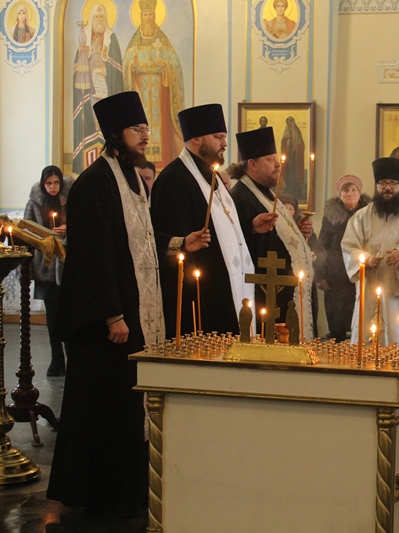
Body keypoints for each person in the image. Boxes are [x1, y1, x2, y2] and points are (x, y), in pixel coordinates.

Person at [47, 91, 194, 514]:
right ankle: (100, 494)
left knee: (130, 406)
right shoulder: (95, 183)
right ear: (115, 134)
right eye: (138, 130)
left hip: (139, 313)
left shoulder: (132, 179)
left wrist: (175, 247)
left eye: (147, 128)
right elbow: (95, 255)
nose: (145, 136)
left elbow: (143, 243)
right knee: (106, 405)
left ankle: (131, 488)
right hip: (110, 322)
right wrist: (113, 313)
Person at [151, 103, 254, 339]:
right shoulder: (173, 180)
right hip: (200, 298)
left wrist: (250, 226)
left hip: (224, 290)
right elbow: (166, 242)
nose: (224, 144)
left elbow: (222, 233)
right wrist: (183, 244)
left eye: (224, 137)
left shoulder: (213, 175)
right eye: (218, 137)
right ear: (196, 139)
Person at [228, 126, 314, 339]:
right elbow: (235, 247)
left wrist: (300, 234)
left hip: (281, 292)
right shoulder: (239, 196)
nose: (278, 164)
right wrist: (251, 228)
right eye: (270, 159)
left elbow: (276, 238)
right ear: (252, 164)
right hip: (265, 295)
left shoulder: (265, 193)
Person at [341, 157, 399, 348]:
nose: (388, 188)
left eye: (393, 183)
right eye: (383, 183)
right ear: (376, 186)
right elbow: (349, 247)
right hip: (370, 291)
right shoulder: (360, 217)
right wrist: (366, 259)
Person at [122, 0, 185, 169]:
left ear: (155, 16)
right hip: (141, 93)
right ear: (141, 17)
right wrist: (132, 65)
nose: (148, 18)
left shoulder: (162, 41)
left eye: (150, 15)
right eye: (145, 15)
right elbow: (126, 65)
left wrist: (164, 64)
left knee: (160, 130)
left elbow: (175, 66)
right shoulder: (134, 44)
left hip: (159, 96)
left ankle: (163, 163)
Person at [23, 166, 73, 377]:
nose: (52, 188)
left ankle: (72, 357)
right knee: (51, 315)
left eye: (56, 183)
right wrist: (44, 235)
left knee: (69, 312)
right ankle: (56, 358)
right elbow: (26, 229)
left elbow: (83, 223)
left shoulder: (71, 198)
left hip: (66, 261)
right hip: (46, 265)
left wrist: (67, 229)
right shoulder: (35, 202)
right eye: (48, 183)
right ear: (43, 185)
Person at [316, 175, 371, 342]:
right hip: (336, 276)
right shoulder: (332, 217)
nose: (350, 193)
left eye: (354, 190)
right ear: (339, 194)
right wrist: (321, 275)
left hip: (362, 273)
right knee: (338, 321)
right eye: (346, 190)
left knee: (362, 318)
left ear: (360, 193)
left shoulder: (368, 215)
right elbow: (322, 245)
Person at [71, 4, 124, 173]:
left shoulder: (111, 39)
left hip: (107, 92)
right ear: (91, 20)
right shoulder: (84, 41)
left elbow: (117, 70)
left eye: (102, 17)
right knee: (91, 124)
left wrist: (104, 69)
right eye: (96, 17)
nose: (99, 21)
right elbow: (77, 72)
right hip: (90, 93)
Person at [279, 192, 325, 337]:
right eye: (284, 208)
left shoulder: (304, 228)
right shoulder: (277, 226)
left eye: (291, 208)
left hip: (305, 280)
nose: (288, 211)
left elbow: (317, 248)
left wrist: (313, 255)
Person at [280, 116, 306, 199]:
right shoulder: (286, 132)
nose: (289, 124)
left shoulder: (296, 131)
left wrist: (296, 148)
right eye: (288, 122)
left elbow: (300, 144)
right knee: (287, 174)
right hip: (287, 157)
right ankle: (287, 190)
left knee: (294, 174)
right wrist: (287, 138)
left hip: (295, 157)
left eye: (290, 122)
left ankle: (296, 192)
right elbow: (283, 142)